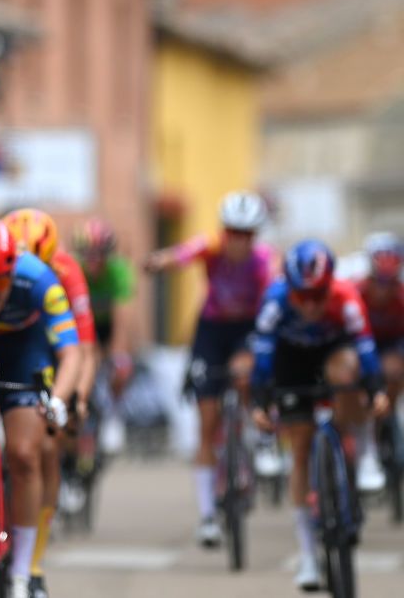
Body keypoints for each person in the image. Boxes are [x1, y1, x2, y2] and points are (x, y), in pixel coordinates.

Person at [250, 239, 390, 590]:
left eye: (319, 297)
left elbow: (366, 348)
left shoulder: (346, 298)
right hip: (291, 361)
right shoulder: (275, 301)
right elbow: (263, 357)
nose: (311, 306)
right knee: (299, 449)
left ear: (330, 286)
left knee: (347, 377)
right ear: (290, 288)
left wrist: (375, 392)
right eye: (303, 297)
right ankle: (309, 557)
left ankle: (362, 451)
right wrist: (260, 402)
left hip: (333, 353)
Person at [143, 191, 272, 547]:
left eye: (246, 234)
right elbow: (180, 255)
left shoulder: (263, 261)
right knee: (207, 421)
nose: (238, 241)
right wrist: (157, 262)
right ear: (224, 231)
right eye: (233, 232)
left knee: (244, 370)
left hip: (247, 328)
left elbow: (275, 288)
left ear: (255, 237)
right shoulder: (211, 247)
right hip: (211, 331)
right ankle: (207, 517)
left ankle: (254, 436)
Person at [0, 218, 78, 598]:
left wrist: (58, 399)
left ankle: (22, 572)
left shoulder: (39, 278)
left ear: (13, 272)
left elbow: (71, 351)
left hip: (26, 352)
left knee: (26, 454)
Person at [2, 207, 95, 597]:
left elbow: (83, 347)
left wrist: (77, 397)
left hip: (43, 346)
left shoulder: (65, 271)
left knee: (44, 449)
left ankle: (33, 563)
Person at [71, 218, 135, 454]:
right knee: (83, 362)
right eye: (88, 254)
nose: (94, 261)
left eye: (99, 255)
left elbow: (122, 319)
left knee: (121, 368)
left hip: (110, 326)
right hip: (84, 324)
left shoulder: (119, 272)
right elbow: (73, 315)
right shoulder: (75, 269)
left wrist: (118, 354)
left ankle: (114, 413)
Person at [356, 232, 404, 408]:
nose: (383, 292)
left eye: (390, 284)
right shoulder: (356, 292)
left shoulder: (401, 297)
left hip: (390, 345)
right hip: (360, 342)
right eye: (378, 283)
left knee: (393, 371)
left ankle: (386, 416)